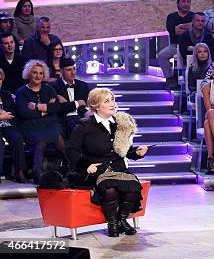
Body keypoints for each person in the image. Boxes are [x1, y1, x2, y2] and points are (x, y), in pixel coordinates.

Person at [66, 89, 148, 237]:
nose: (112, 104)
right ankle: (112, 224)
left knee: (133, 186)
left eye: (112, 100)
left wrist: (137, 153)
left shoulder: (119, 124)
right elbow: (71, 150)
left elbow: (123, 150)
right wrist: (85, 166)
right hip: (97, 170)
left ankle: (121, 221)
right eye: (107, 101)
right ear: (96, 106)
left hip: (118, 169)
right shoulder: (84, 126)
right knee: (110, 188)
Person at [15, 60, 64, 183]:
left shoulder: (49, 89)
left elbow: (57, 108)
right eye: (34, 73)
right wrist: (47, 109)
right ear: (28, 74)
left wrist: (38, 107)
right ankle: (38, 173)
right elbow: (24, 113)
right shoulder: (21, 92)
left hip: (49, 124)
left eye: (41, 73)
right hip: (30, 126)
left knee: (58, 139)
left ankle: (71, 168)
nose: (38, 76)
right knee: (41, 142)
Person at [157, 0, 193, 90]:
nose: (186, 4)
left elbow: (195, 29)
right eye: (183, 1)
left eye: (188, 2)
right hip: (175, 46)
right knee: (161, 56)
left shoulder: (194, 16)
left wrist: (181, 26)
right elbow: (174, 31)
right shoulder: (171, 17)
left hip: (191, 47)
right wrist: (189, 26)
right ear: (178, 4)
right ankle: (170, 79)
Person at [50, 57, 90, 138]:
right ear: (61, 71)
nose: (73, 72)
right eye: (69, 70)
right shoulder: (53, 87)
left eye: (74, 69)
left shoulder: (83, 85)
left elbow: (85, 105)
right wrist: (77, 103)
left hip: (80, 117)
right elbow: (58, 109)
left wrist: (67, 105)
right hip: (63, 119)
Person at [0, 68, 27, 183]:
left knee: (17, 138)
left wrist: (6, 117)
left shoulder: (6, 95)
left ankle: (19, 171)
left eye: (0, 79)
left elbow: (13, 113)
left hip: (8, 124)